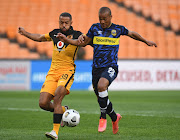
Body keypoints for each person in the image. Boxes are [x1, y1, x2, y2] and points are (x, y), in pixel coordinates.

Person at [57, 7, 157, 134]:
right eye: (100, 19)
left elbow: (132, 33)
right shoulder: (94, 28)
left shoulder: (118, 29)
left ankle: (102, 117)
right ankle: (115, 118)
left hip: (111, 66)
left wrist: (146, 41)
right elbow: (83, 43)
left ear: (110, 17)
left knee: (102, 86)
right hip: (96, 68)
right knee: (101, 98)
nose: (102, 22)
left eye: (104, 19)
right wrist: (66, 40)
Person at [18, 12, 82, 140]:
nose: (63, 25)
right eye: (61, 23)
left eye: (66, 23)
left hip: (67, 71)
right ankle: (64, 110)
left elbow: (80, 42)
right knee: (43, 103)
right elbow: (40, 37)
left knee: (58, 96)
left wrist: (67, 40)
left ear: (71, 23)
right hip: (53, 72)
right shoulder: (54, 33)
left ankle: (55, 131)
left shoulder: (77, 35)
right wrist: (25, 33)